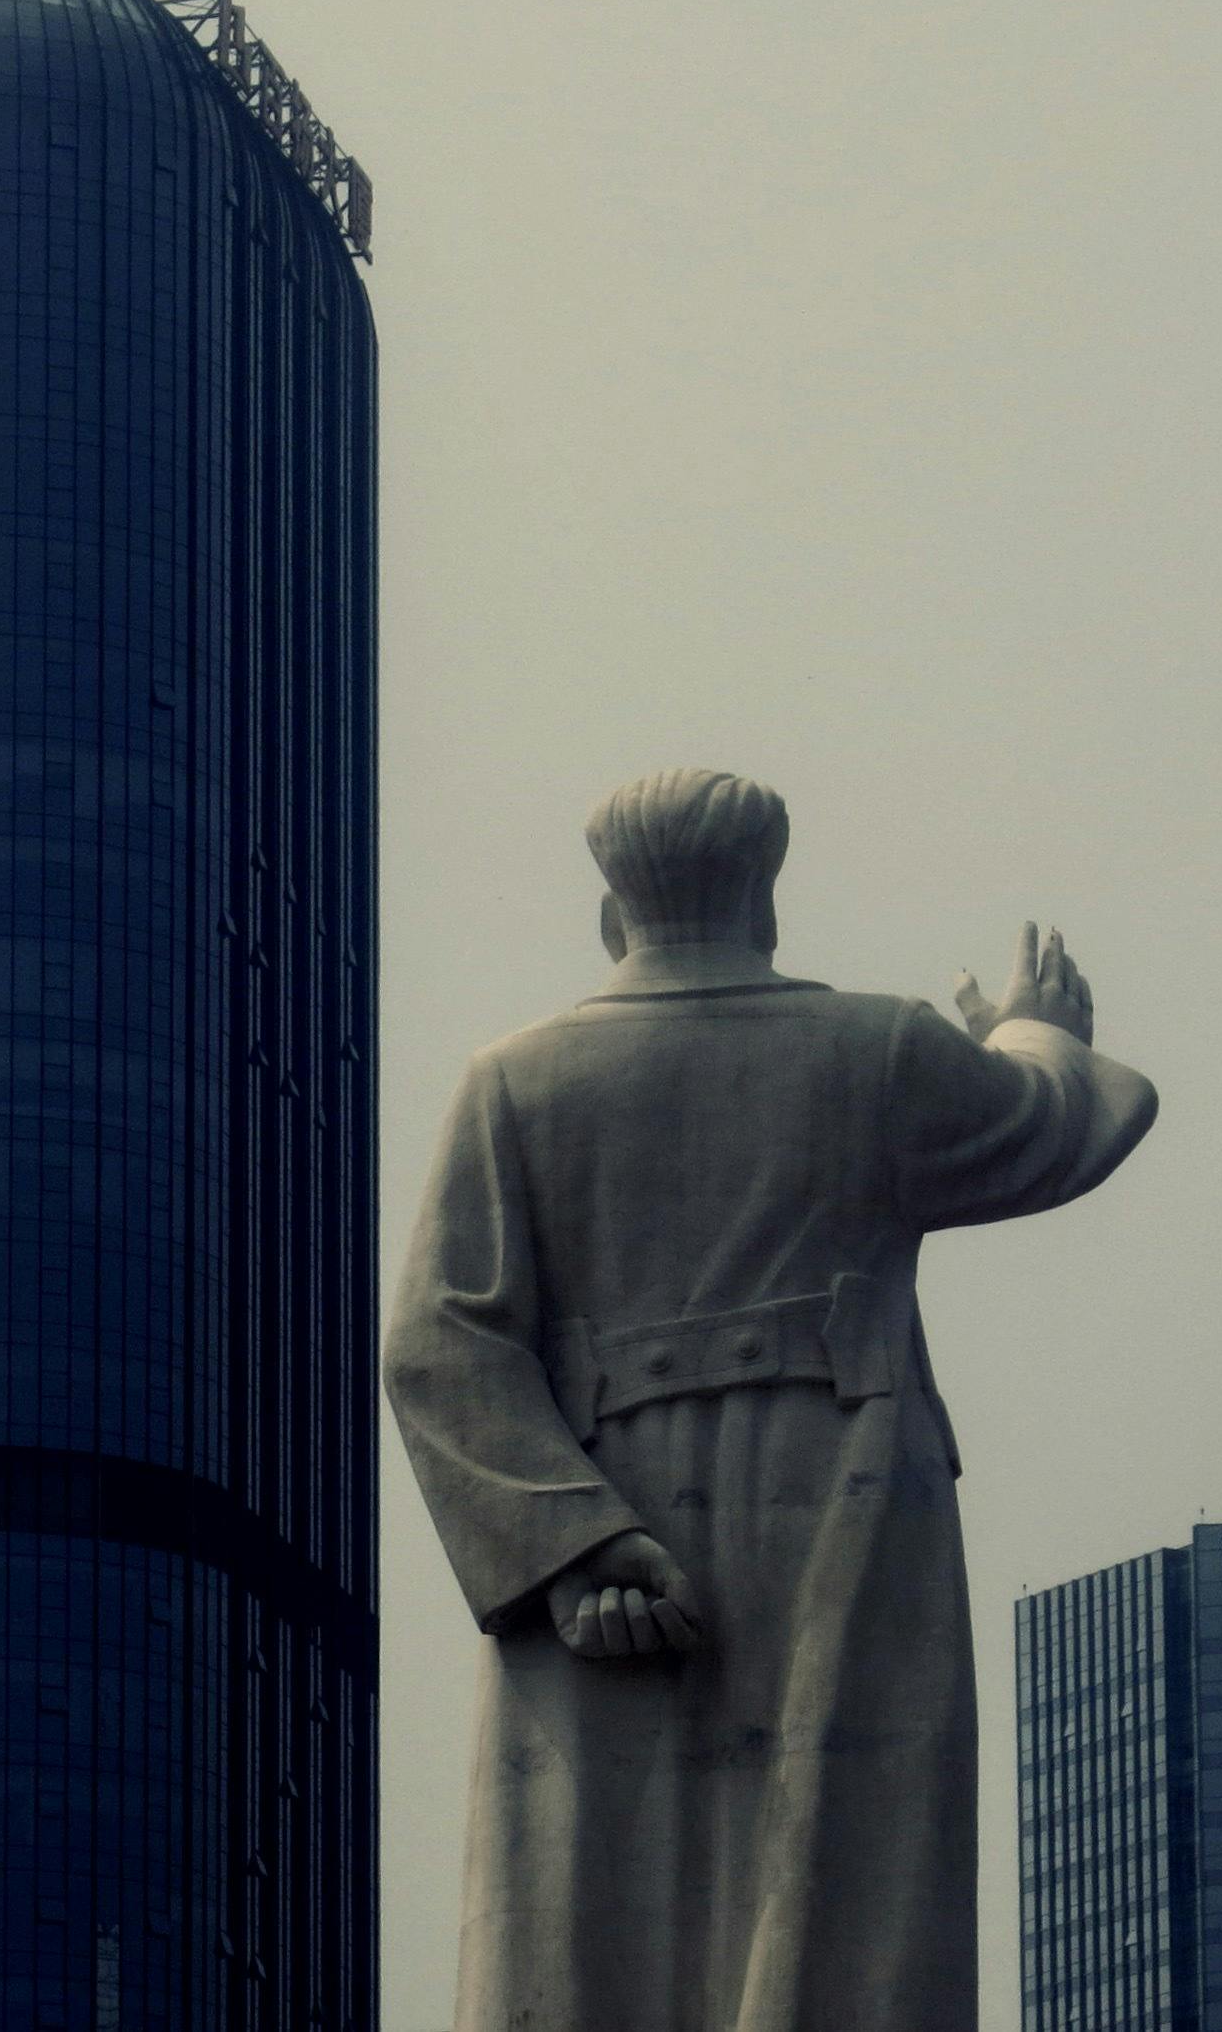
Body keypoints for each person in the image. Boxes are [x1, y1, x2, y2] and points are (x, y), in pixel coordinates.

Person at [384, 768, 1159, 2032]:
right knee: (843, 1894)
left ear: (609, 913)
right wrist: (1033, 1028)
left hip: (603, 1523)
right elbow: (1055, 1125)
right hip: (840, 1504)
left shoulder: (513, 1083)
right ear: (765, 896)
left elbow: (436, 1345)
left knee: (590, 1916)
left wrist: (576, 1548)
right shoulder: (880, 1050)